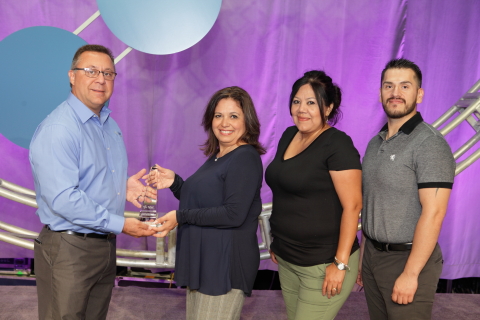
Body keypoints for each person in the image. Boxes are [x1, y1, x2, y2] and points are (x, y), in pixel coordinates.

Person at [29, 44, 155, 320]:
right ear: (72, 76)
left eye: (108, 73)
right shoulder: (59, 129)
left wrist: (122, 186)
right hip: (68, 249)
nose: (101, 79)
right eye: (91, 71)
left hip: (104, 246)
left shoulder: (108, 123)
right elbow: (63, 198)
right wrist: (121, 224)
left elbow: (91, 175)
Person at [149, 86, 265, 320]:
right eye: (218, 115)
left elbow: (233, 214)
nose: (225, 123)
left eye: (234, 116)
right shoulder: (217, 157)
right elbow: (204, 204)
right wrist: (175, 183)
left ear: (247, 121)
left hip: (224, 267)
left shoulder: (245, 157)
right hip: (206, 261)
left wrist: (179, 217)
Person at [358, 58, 455, 320]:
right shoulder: (374, 144)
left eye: (405, 86)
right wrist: (363, 259)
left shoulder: (429, 144)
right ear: (380, 93)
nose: (395, 93)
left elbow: (434, 213)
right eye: (388, 86)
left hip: (408, 259)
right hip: (372, 257)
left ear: (419, 94)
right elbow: (372, 203)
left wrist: (411, 274)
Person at [265, 70, 362, 320]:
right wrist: (278, 241)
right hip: (287, 260)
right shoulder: (288, 135)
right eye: (296, 101)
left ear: (328, 108)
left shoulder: (337, 144)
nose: (301, 109)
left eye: (311, 103)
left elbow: (353, 206)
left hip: (322, 264)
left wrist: (340, 264)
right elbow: (286, 192)